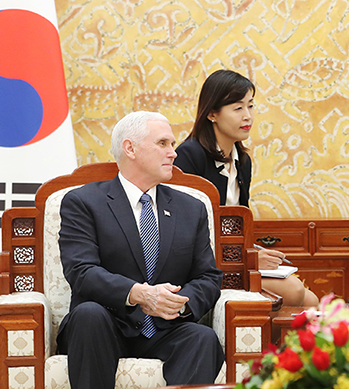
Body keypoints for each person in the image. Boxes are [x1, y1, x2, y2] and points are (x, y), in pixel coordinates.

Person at [57, 111, 224, 389]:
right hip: (106, 324)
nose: (173, 153)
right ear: (130, 148)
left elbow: (208, 277)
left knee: (202, 338)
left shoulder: (191, 208)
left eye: (173, 144)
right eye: (163, 144)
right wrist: (138, 294)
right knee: (89, 315)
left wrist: (178, 304)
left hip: (165, 328)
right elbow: (81, 272)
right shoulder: (83, 202)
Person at [174, 69, 319, 307]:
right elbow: (187, 233)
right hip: (202, 265)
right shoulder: (189, 155)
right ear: (212, 113)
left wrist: (253, 254)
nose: (248, 116)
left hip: (232, 257)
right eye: (238, 108)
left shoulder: (243, 161)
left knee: (312, 300)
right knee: (294, 291)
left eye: (251, 106)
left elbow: (239, 225)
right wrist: (248, 259)